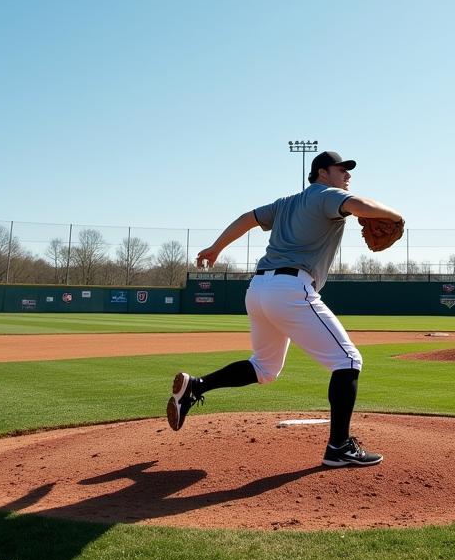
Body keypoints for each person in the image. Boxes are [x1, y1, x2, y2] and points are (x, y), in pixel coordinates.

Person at [166, 150, 404, 467]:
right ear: (322, 173)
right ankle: (339, 447)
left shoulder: (285, 203)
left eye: (349, 171)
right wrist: (397, 216)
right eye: (341, 169)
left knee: (264, 368)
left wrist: (216, 247)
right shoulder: (327, 194)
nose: (347, 175)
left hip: (259, 289)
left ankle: (197, 386)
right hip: (289, 289)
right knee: (348, 360)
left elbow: (247, 219)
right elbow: (361, 206)